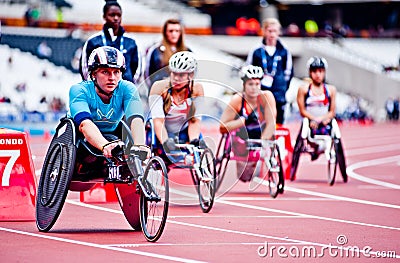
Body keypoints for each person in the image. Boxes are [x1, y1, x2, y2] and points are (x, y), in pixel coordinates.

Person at [69, 46, 149, 172]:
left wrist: (139, 146)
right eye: (105, 72)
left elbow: (136, 119)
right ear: (94, 73)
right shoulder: (79, 90)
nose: (112, 78)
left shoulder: (128, 88)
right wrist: (104, 145)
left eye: (116, 72)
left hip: (112, 134)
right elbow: (84, 124)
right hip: (80, 138)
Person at [219, 65, 276, 182]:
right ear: (244, 85)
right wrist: (242, 121)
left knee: (254, 172)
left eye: (257, 84)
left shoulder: (267, 97)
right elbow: (222, 127)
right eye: (250, 84)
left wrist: (263, 141)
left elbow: (271, 122)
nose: (254, 88)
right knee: (244, 177)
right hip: (242, 138)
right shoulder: (237, 100)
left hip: (260, 135)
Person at [148, 51, 205, 165]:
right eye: (174, 74)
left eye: (181, 75)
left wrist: (193, 140)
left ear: (191, 75)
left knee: (200, 145)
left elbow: (195, 121)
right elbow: (158, 121)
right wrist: (165, 142)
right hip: (161, 130)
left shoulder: (197, 89)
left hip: (183, 130)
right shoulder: (158, 87)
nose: (176, 79)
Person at [80, 0, 141, 83]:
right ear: (104, 16)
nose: (116, 18)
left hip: (124, 91)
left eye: (119, 15)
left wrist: (129, 87)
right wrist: (93, 87)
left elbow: (137, 68)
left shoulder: (131, 42)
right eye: (112, 15)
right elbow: (85, 67)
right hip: (100, 91)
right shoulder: (93, 41)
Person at [246, 17, 293, 125]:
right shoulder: (256, 51)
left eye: (275, 31)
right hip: (259, 94)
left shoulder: (284, 51)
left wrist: (283, 88)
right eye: (270, 31)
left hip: (279, 95)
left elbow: (288, 73)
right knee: (260, 124)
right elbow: (248, 70)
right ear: (264, 31)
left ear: (279, 32)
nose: (272, 34)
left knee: (278, 125)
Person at [296, 56, 336, 160]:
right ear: (310, 72)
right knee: (306, 129)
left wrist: (321, 119)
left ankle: (324, 149)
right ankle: (313, 146)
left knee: (332, 127)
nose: (318, 74)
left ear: (324, 72)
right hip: (310, 123)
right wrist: (313, 119)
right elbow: (302, 111)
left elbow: (332, 112)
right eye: (314, 71)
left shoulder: (331, 90)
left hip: (324, 121)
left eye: (320, 71)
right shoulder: (303, 89)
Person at [145, 18, 190, 88]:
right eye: (171, 31)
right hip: (161, 92)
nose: (174, 34)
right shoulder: (155, 51)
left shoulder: (187, 52)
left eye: (177, 31)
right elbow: (148, 75)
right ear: (165, 32)